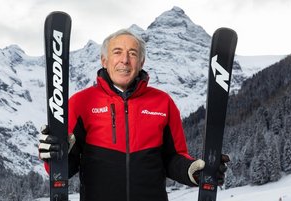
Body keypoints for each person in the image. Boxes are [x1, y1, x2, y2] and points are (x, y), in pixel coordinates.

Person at [39, 29, 230, 201]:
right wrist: (54, 155)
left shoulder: (163, 102)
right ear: (104, 61)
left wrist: (193, 171)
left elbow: (172, 158)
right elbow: (66, 169)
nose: (125, 60)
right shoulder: (81, 102)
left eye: (132, 53)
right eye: (117, 52)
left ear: (141, 62)